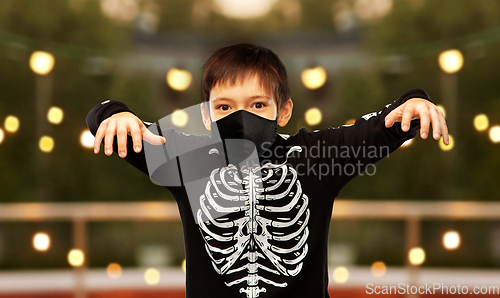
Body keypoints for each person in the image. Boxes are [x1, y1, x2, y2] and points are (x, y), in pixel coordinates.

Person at [86, 43, 448, 298]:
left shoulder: (315, 158)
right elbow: (114, 122)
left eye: (258, 104)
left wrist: (417, 100)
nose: (242, 117)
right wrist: (113, 112)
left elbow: (388, 122)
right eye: (225, 106)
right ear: (207, 114)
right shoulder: (189, 156)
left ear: (284, 110)